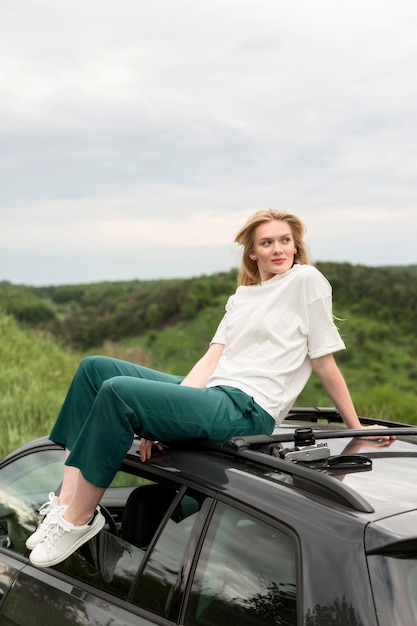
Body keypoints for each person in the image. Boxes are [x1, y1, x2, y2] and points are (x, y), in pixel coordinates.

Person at [26, 209, 394, 568]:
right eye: (267, 243)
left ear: (296, 246)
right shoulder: (242, 297)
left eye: (285, 241)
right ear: (252, 251)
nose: (278, 249)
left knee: (118, 392)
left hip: (249, 409)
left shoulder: (307, 281)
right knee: (95, 369)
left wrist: (357, 428)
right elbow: (211, 359)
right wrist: (166, 416)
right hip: (213, 395)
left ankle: (79, 519)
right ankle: (63, 505)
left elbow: (324, 361)